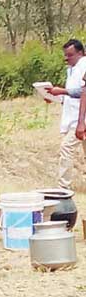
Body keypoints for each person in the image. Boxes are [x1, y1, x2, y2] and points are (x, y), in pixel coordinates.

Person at [45, 39, 86, 190]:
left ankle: (64, 187)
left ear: (80, 53)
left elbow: (83, 92)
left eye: (70, 55)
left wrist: (62, 91)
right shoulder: (71, 70)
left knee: (66, 147)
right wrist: (54, 97)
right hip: (73, 117)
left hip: (80, 119)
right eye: (65, 55)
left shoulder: (84, 66)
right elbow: (71, 95)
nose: (67, 58)